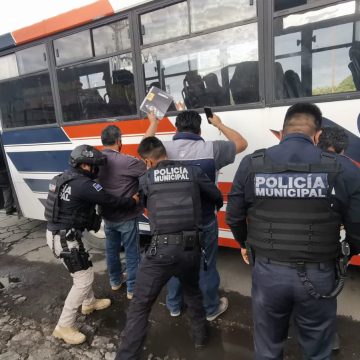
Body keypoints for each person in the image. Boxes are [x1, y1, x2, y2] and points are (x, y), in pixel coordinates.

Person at [226, 103, 360, 359]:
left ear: (283, 131)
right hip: (320, 274)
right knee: (318, 349)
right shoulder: (342, 168)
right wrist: (349, 253)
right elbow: (357, 225)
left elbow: (234, 215)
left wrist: (244, 244)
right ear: (318, 134)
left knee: (267, 347)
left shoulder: (252, 163)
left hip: (267, 273)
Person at [116, 137, 224, 359]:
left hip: (160, 251)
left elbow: (145, 204)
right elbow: (216, 197)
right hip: (190, 248)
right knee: (193, 293)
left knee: (140, 305)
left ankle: (126, 356)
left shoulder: (147, 178)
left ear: (148, 161)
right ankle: (200, 338)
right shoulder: (192, 172)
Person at [144, 110, 247, 320]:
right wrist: (219, 124)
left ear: (176, 129)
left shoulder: (162, 149)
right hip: (204, 221)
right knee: (206, 264)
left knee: (173, 262)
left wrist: (153, 122)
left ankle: (174, 305)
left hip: (170, 223)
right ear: (200, 129)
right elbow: (241, 143)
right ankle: (210, 308)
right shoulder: (213, 149)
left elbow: (145, 145)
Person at [45, 144, 139, 345]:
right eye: (96, 166)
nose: (98, 170)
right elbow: (110, 201)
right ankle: (64, 326)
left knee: (84, 269)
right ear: (86, 166)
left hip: (57, 236)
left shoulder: (62, 178)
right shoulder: (84, 185)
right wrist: (131, 201)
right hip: (65, 239)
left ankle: (89, 303)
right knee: (83, 279)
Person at [98, 125, 146, 299]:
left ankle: (115, 281)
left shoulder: (96, 161)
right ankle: (133, 289)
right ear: (119, 141)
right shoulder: (127, 161)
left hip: (107, 215)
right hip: (127, 215)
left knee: (111, 251)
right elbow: (147, 167)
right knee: (132, 252)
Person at [318, 125, 350, 352]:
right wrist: (350, 249)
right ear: (341, 150)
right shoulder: (348, 171)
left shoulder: (302, 163)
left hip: (298, 245)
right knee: (326, 292)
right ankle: (328, 339)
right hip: (328, 248)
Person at [0, 149, 16, 215]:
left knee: (5, 189)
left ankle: (8, 207)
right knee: (8, 188)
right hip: (3, 172)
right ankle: (9, 208)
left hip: (1, 173)